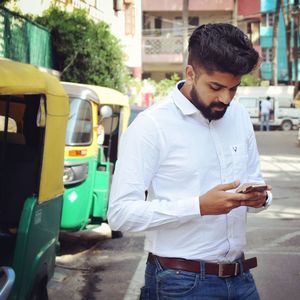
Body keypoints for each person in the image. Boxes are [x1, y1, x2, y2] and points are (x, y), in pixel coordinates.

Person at [108, 23, 273, 300]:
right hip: (180, 283)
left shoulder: (239, 117)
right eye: (216, 87)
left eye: (234, 89)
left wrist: (261, 199)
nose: (225, 98)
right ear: (190, 73)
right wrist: (198, 207)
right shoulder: (151, 126)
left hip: (241, 278)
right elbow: (120, 214)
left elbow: (253, 181)